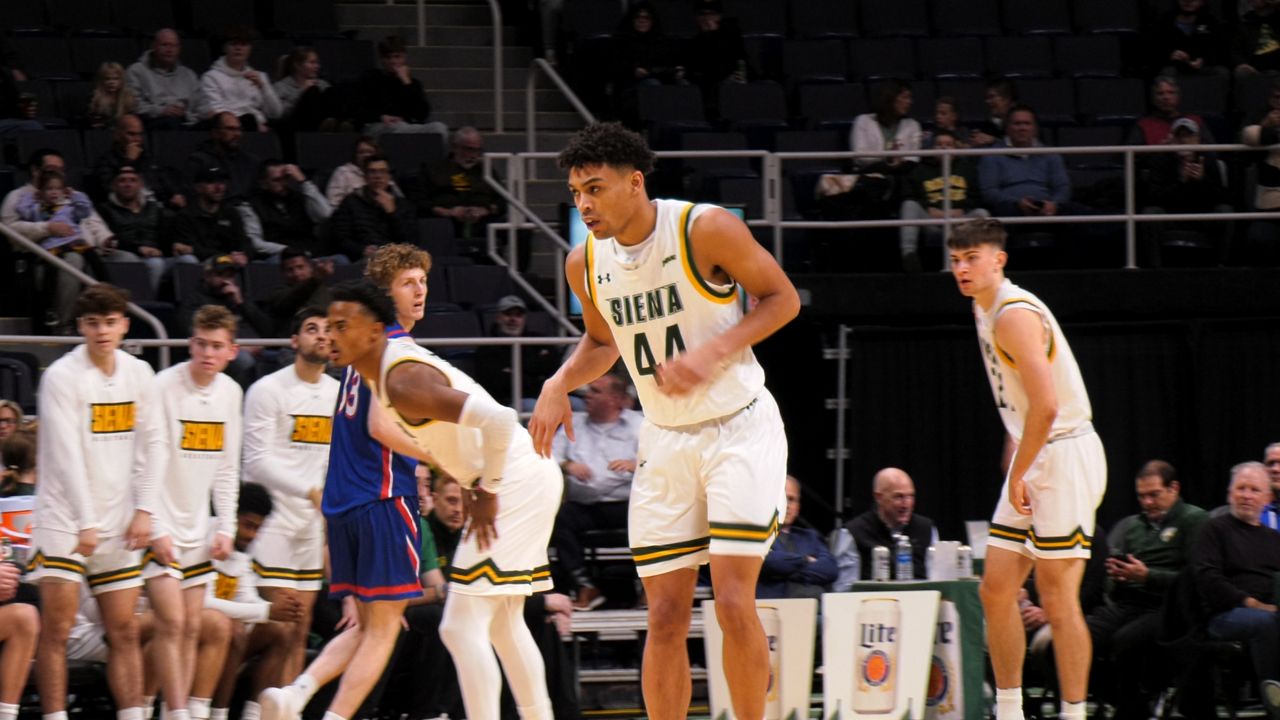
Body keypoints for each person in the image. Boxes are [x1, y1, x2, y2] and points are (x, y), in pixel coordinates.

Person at [530, 121, 800, 720]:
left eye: (595, 189)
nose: (583, 204)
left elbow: (784, 299)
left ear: (634, 183)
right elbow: (602, 343)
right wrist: (556, 383)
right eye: (576, 192)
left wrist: (712, 351)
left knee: (731, 601)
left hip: (739, 425)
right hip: (665, 436)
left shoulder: (704, 228)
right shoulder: (584, 262)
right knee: (665, 615)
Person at [278, 279, 561, 720]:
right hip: (516, 476)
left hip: (514, 480)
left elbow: (503, 421)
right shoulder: (379, 374)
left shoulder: (402, 379)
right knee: (504, 623)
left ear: (374, 330)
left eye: (341, 325)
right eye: (326, 326)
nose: (330, 336)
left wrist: (485, 488)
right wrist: (469, 475)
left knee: (459, 624)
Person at [948, 218, 1107, 720]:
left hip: (1063, 454)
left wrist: (1018, 469)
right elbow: (1021, 402)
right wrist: (1015, 446)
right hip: (1036, 450)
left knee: (1058, 598)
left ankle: (1074, 713)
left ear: (999, 259)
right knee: (994, 589)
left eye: (972, 257)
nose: (961, 269)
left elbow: (1047, 405)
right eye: (955, 260)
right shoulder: (982, 306)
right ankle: (1011, 710)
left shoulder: (1014, 313)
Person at [257, 243, 424, 720]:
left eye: (423, 281)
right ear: (385, 296)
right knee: (385, 629)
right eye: (409, 283)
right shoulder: (396, 349)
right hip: (383, 499)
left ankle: (296, 694)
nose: (420, 291)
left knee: (371, 623)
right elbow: (382, 427)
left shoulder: (359, 353)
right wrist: (444, 458)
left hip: (344, 506)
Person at [27, 283, 162, 720]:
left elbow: (155, 444)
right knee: (58, 630)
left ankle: (132, 715)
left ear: (124, 324)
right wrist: (86, 521)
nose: (102, 331)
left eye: (109, 322)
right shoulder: (62, 376)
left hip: (119, 515)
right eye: (92, 323)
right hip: (65, 517)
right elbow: (65, 457)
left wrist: (145, 509)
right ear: (81, 327)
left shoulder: (139, 373)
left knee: (123, 630)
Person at [144, 305, 243, 720]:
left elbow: (226, 467)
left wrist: (227, 525)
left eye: (217, 346)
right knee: (172, 623)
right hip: (159, 521)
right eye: (201, 343)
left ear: (232, 351)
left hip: (199, 527)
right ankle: (177, 710)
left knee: (190, 626)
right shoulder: (163, 385)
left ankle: (169, 709)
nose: (207, 352)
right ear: (190, 343)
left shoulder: (231, 393)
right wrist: (153, 524)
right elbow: (149, 460)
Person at [242, 305, 339, 686]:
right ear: (295, 340)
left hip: (312, 527)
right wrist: (310, 490)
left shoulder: (338, 393)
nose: (321, 335)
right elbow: (257, 461)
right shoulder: (268, 390)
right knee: (275, 627)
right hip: (273, 523)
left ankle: (281, 710)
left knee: (298, 634)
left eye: (328, 330)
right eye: (312, 328)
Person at [1088, 460, 1207, 720]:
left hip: (1167, 607)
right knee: (1075, 641)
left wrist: (1148, 576)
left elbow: (1194, 579)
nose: (1148, 503)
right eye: (1142, 496)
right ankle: (1119, 699)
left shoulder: (1194, 519)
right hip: (1128, 602)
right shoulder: (1134, 525)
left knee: (1125, 641)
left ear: (1173, 489)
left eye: (1154, 495)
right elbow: (1119, 574)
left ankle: (1133, 706)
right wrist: (1118, 576)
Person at [206, 482, 304, 720]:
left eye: (257, 529)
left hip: (223, 637)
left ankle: (256, 715)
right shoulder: (204, 541)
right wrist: (267, 609)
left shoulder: (240, 554)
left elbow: (247, 597)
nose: (252, 535)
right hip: (192, 634)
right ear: (229, 517)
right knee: (233, 629)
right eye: (248, 526)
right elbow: (201, 603)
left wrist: (281, 608)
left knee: (281, 629)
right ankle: (217, 715)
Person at [1193, 461, 1280, 718]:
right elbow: (1208, 580)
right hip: (1224, 614)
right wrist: (1252, 603)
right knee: (1267, 622)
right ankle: (1274, 701)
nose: (1246, 495)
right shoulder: (1213, 529)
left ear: (1267, 498)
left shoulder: (1274, 539)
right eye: (1241, 488)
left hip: (1270, 610)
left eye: (1255, 490)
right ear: (1230, 493)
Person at [549, 372, 641, 610]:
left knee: (657, 515)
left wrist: (635, 464)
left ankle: (650, 588)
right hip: (585, 506)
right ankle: (585, 586)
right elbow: (550, 456)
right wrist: (567, 465)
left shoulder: (638, 425)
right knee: (556, 516)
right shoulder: (574, 423)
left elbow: (662, 458)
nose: (586, 396)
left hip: (627, 505)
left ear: (616, 399)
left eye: (595, 391)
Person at [1138, 116, 1233, 266]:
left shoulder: (1208, 158)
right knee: (1150, 214)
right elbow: (1153, 198)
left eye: (1189, 135)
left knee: (1225, 211)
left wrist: (1202, 180)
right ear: (1172, 139)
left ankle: (1221, 266)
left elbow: (1222, 197)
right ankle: (1154, 269)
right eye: (1179, 135)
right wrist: (1180, 181)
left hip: (1202, 216)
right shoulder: (1160, 159)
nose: (1184, 140)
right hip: (1171, 216)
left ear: (1197, 140)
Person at [898, 129, 988, 273]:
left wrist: (963, 209)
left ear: (956, 148)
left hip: (960, 222)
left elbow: (977, 197)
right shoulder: (920, 170)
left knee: (982, 213)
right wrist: (928, 208)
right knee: (909, 205)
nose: (944, 148)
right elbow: (910, 194)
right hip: (931, 222)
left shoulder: (967, 169)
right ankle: (909, 255)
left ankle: (984, 261)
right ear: (932, 148)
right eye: (939, 144)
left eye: (948, 144)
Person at [978, 105, 1071, 218]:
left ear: (1035, 128)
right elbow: (989, 192)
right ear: (1007, 128)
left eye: (1027, 123)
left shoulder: (1051, 155)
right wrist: (1016, 202)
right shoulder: (992, 155)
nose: (1022, 128)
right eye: (1017, 124)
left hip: (1048, 207)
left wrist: (1053, 203)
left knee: (1079, 213)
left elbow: (1062, 188)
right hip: (1010, 207)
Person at [419, 127, 506, 246]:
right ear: (455, 147)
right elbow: (420, 201)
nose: (474, 155)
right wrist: (446, 211)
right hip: (448, 220)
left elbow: (502, 199)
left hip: (483, 220)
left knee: (519, 227)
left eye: (478, 150)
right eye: (469, 149)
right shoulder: (434, 169)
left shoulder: (486, 171)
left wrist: (487, 209)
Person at [844, 468, 936, 579]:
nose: (906, 504)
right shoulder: (853, 532)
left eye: (910, 496)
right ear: (879, 497)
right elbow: (845, 589)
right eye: (898, 497)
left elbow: (937, 580)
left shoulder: (926, 528)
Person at [757, 475, 837, 599]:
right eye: (781, 498)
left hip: (816, 611)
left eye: (791, 499)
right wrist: (805, 560)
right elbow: (767, 562)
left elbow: (830, 569)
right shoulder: (757, 535)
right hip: (775, 611)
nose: (787, 505)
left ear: (798, 507)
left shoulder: (810, 537)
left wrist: (783, 571)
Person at [96, 165, 173, 292]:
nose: (128, 184)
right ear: (114, 186)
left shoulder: (154, 208)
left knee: (187, 260)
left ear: (140, 185)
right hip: (126, 255)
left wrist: (174, 245)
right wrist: (139, 249)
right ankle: (145, 307)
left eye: (133, 180)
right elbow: (111, 239)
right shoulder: (104, 210)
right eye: (122, 180)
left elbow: (165, 236)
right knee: (155, 264)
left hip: (157, 255)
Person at [475, 295, 559, 409]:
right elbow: (500, 384)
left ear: (524, 319)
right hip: (508, 402)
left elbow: (556, 369)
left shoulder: (539, 340)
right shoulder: (487, 348)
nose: (513, 319)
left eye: (518, 315)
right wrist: (537, 375)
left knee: (576, 404)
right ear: (498, 317)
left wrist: (517, 370)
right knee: (533, 406)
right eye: (508, 314)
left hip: (546, 395)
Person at [238, 160, 333, 260]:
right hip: (278, 257)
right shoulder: (251, 205)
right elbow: (255, 243)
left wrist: (304, 182)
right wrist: (290, 251)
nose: (283, 184)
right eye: (277, 180)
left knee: (340, 260)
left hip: (309, 254)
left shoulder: (300, 197)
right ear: (263, 184)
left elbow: (325, 214)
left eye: (286, 178)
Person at [609, 1, 684, 128]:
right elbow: (613, 68)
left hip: (661, 83)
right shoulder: (620, 41)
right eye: (638, 17)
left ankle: (682, 129)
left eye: (646, 17)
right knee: (652, 86)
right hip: (630, 88)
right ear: (632, 20)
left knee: (684, 86)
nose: (642, 20)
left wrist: (676, 72)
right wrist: (633, 71)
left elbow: (669, 64)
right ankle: (656, 129)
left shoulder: (661, 41)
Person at [358, 35, 447, 137]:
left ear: (404, 57)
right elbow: (360, 110)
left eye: (397, 56)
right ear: (382, 59)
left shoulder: (413, 83)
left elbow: (422, 114)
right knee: (396, 127)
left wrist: (406, 83)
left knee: (439, 128)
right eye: (388, 57)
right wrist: (382, 117)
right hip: (378, 125)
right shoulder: (370, 78)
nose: (393, 61)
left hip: (406, 126)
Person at [331, 154, 416, 261]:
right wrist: (361, 249)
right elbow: (339, 238)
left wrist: (392, 213)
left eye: (383, 171)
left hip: (395, 259)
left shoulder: (402, 204)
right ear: (365, 177)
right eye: (372, 172)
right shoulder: (350, 203)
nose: (378, 176)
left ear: (389, 177)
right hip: (362, 259)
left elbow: (411, 241)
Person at [199, 26, 282, 132]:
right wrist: (253, 125)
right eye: (233, 44)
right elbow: (216, 110)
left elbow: (276, 113)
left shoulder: (259, 76)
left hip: (257, 126)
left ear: (250, 49)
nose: (238, 48)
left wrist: (263, 87)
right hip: (230, 128)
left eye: (243, 44)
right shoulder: (211, 77)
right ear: (225, 48)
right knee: (248, 120)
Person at [172, 166, 254, 262]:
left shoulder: (230, 213)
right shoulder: (185, 216)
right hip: (203, 265)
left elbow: (245, 242)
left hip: (229, 263)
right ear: (198, 187)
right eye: (211, 182)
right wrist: (227, 257)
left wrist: (244, 255)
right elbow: (192, 249)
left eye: (222, 182)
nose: (219, 187)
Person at [683, 0, 748, 119]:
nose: (707, 18)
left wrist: (714, 35)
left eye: (711, 14)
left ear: (720, 16)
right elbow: (698, 70)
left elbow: (735, 62)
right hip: (706, 85)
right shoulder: (693, 43)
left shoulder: (732, 36)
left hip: (729, 82)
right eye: (702, 14)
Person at [1239, 82, 1280, 264]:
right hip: (1269, 206)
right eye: (1277, 98)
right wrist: (1267, 125)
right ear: (1271, 99)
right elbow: (1247, 138)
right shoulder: (1260, 116)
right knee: (1258, 237)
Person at [127, 29, 201, 129]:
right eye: (165, 45)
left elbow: (199, 106)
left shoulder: (189, 74)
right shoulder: (136, 71)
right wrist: (161, 111)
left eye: (174, 46)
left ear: (179, 49)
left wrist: (186, 114)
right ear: (154, 46)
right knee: (171, 123)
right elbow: (133, 106)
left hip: (186, 121)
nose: (169, 50)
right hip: (154, 122)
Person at [184, 112, 263, 200]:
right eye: (230, 129)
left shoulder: (251, 162)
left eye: (239, 129)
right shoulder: (199, 161)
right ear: (215, 133)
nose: (237, 134)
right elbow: (191, 194)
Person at [1148, 0, 1230, 77]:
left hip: (1203, 66)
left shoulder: (1210, 22)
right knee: (1168, 72)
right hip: (1174, 67)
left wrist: (1203, 60)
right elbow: (1151, 50)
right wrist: (1169, 55)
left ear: (1202, 1)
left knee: (1221, 71)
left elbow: (1222, 50)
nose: (1188, 1)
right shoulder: (1164, 21)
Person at [1129, 76, 1216, 146]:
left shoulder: (1195, 121)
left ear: (1178, 96)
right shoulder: (1143, 124)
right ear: (1153, 99)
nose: (1166, 97)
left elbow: (1210, 150)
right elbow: (1134, 157)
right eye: (1160, 93)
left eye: (1171, 92)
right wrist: (1162, 151)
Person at [264, 249, 334, 336]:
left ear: (310, 267)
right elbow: (294, 297)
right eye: (290, 270)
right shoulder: (278, 294)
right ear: (283, 273)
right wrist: (316, 279)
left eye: (300, 267)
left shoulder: (326, 291)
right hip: (292, 345)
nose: (296, 273)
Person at [272, 47, 339, 133]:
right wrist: (302, 93)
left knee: (331, 91)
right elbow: (280, 114)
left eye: (317, 63)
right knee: (312, 92)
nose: (317, 66)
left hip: (321, 120)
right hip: (295, 127)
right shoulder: (281, 86)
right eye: (312, 63)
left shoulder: (322, 84)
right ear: (297, 65)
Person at [325, 136, 399, 208]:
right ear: (355, 155)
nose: (366, 155)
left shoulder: (383, 173)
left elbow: (399, 200)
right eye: (361, 152)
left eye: (370, 152)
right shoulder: (342, 172)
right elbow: (334, 204)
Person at [1233, 0, 1280, 77]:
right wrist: (1241, 64)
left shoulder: (1277, 20)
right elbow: (1236, 50)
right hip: (1254, 70)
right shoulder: (1246, 23)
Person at [88, 62, 138, 130]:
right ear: (101, 81)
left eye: (115, 78)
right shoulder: (95, 99)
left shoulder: (128, 99)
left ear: (121, 81)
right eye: (107, 79)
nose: (111, 82)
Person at [971, 79, 1018, 148]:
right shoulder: (989, 125)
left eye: (992, 97)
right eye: (987, 98)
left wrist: (994, 141)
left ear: (1006, 99)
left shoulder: (1022, 120)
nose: (987, 101)